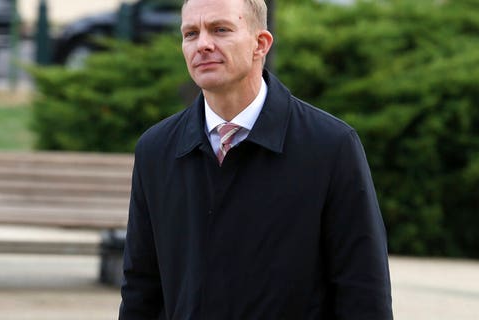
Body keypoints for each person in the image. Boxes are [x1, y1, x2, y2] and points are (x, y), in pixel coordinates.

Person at [118, 0, 393, 318]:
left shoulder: (331, 146)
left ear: (260, 44)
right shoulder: (156, 150)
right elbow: (141, 287)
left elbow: (363, 290)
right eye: (191, 33)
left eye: (220, 30)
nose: (203, 44)